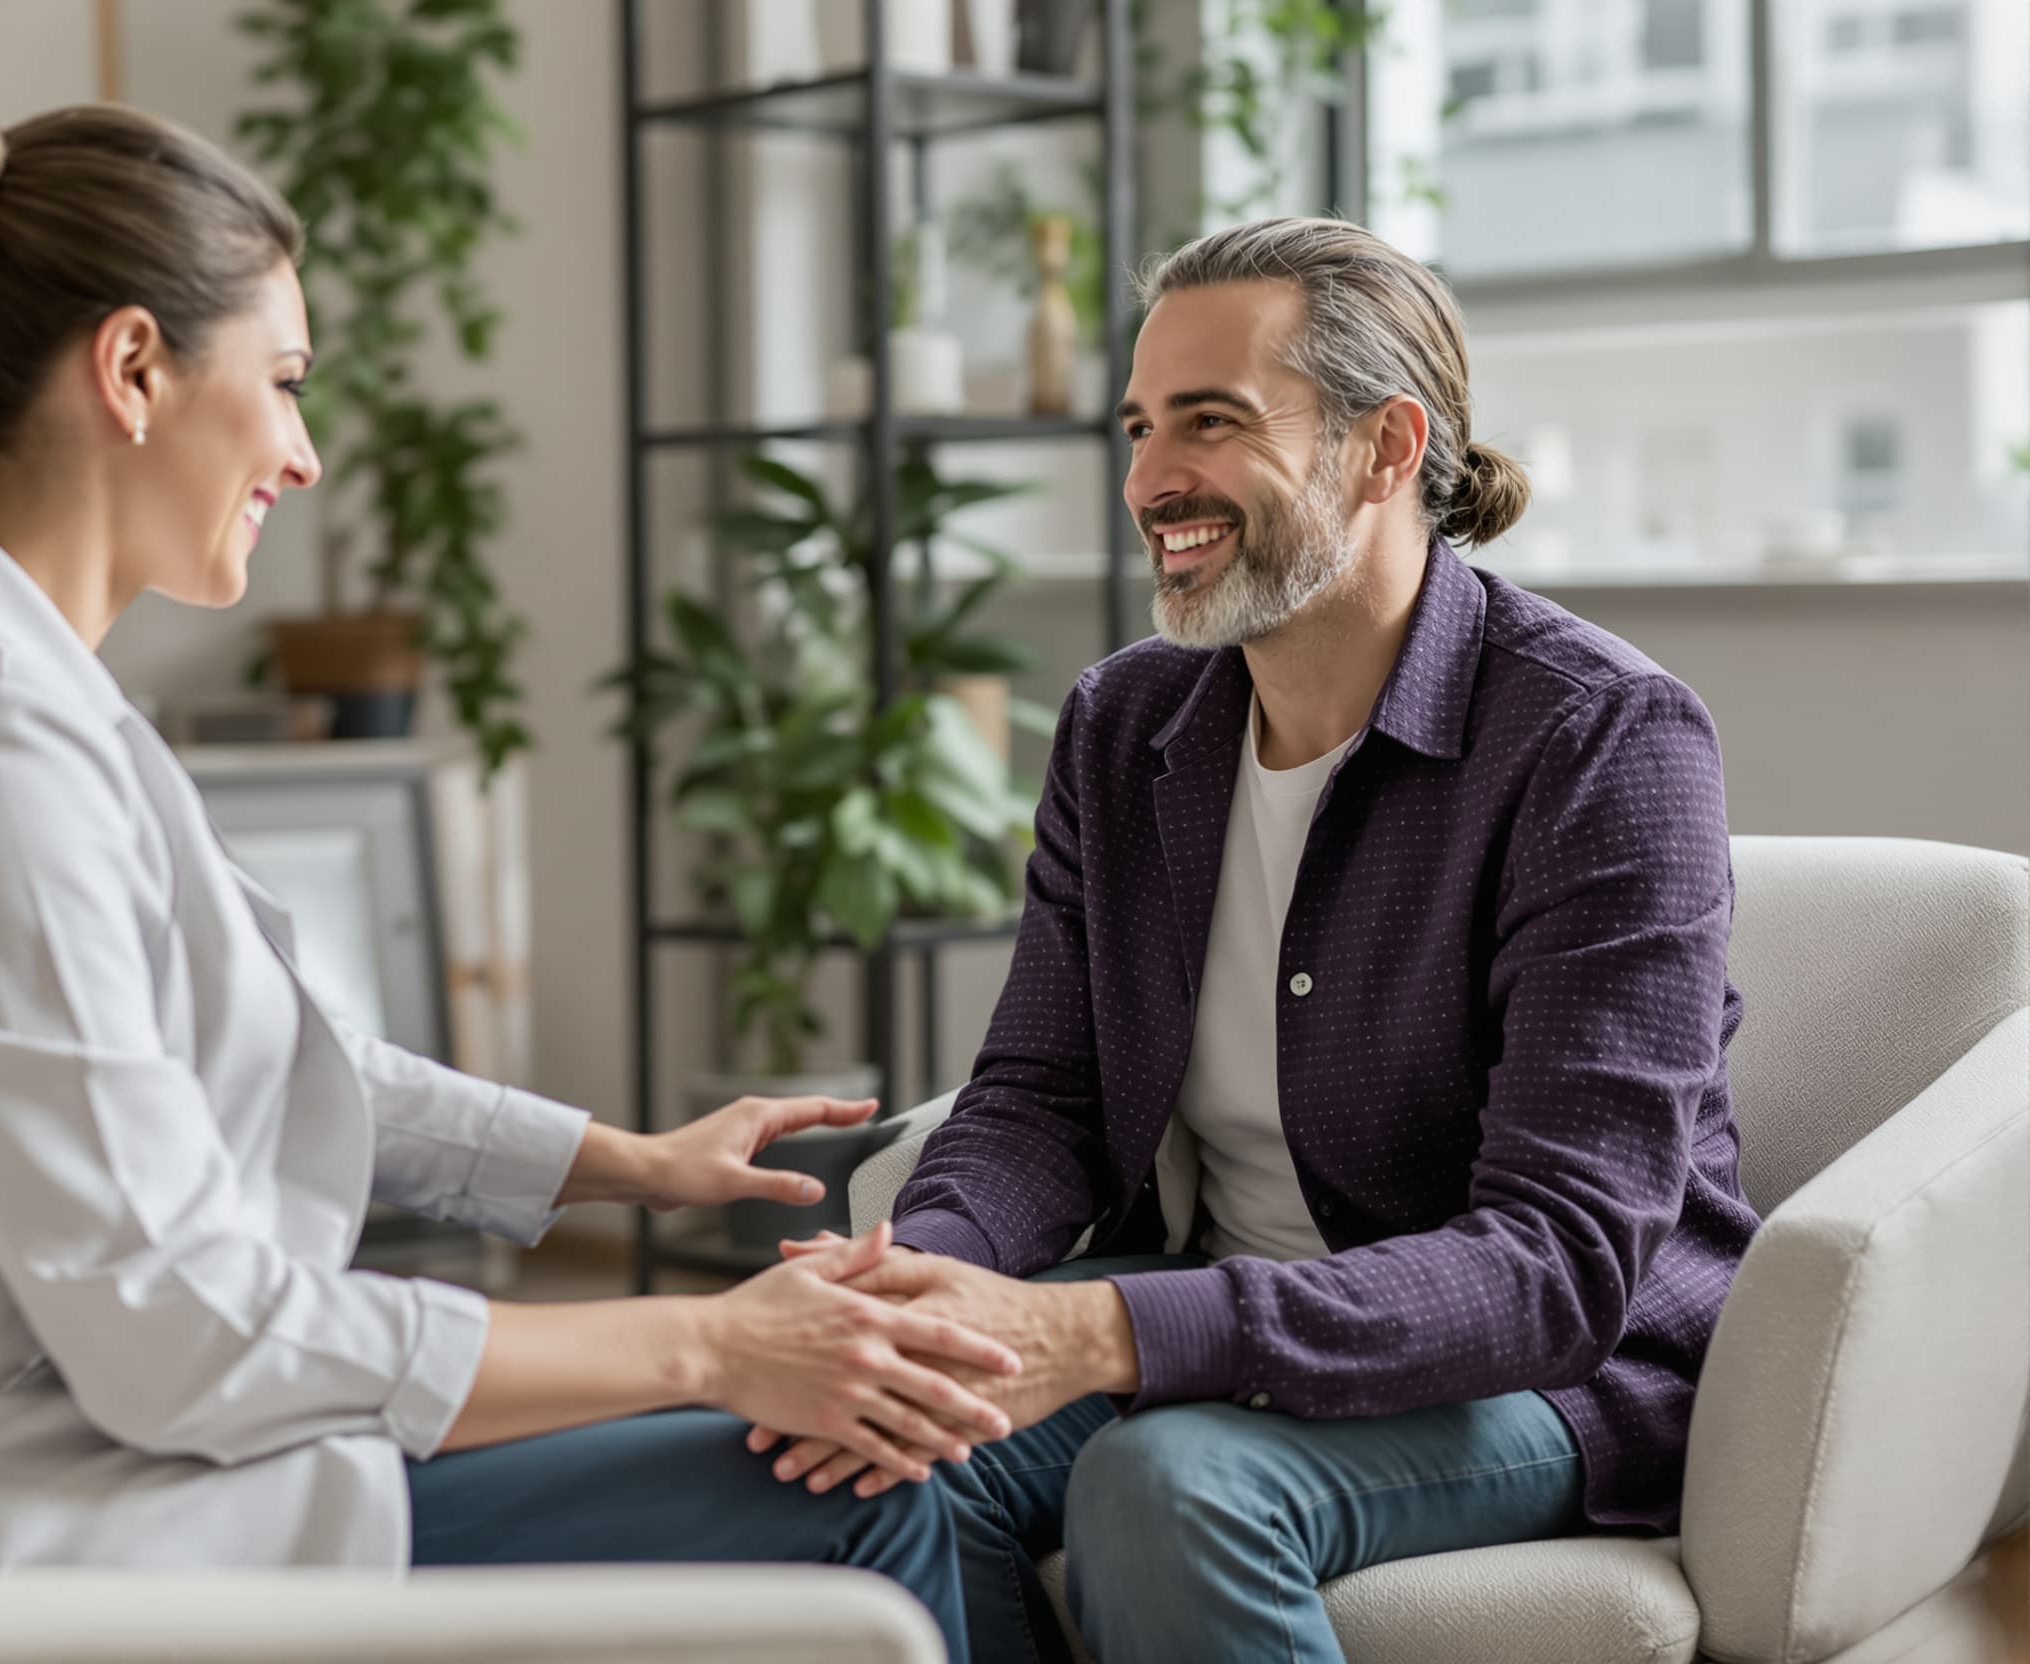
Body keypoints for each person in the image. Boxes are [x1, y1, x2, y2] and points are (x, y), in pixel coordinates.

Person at [0, 93, 1022, 1659]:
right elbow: (178, 1333)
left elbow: (251, 1048)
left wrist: (630, 1162)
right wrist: (710, 1343)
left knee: (842, 1451)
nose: (304, 456)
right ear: (132, 370)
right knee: (846, 1492)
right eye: (287, 384)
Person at [748, 217, 1765, 1664]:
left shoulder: (1601, 740)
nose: (1153, 479)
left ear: (1386, 447)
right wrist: (914, 1279)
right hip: (1217, 1311)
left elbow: (1559, 1260)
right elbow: (1043, 1099)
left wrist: (1109, 1336)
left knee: (1171, 1485)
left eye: (1213, 424)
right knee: (899, 1446)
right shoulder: (1125, 726)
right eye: (1141, 427)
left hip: (1544, 1377)